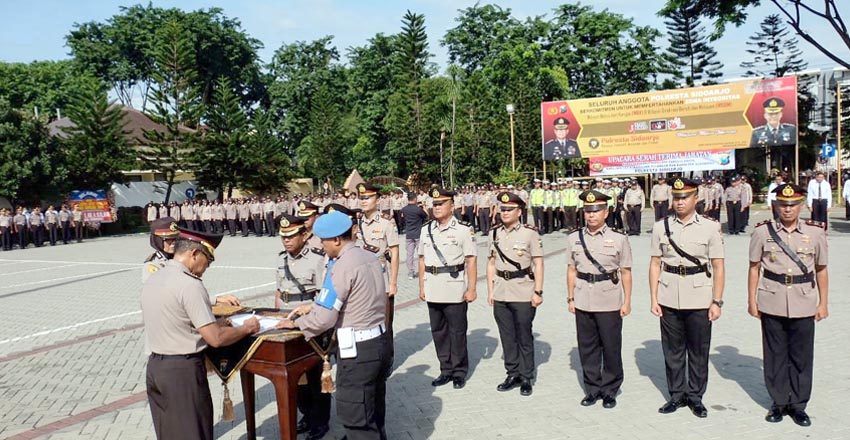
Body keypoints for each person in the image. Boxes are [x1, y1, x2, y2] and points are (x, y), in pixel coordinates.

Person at [278, 211, 391, 440]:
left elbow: (325, 319)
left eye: (324, 240)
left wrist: (295, 324)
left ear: (337, 240)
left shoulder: (340, 266)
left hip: (357, 351)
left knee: (356, 418)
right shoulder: (369, 257)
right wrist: (312, 308)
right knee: (373, 411)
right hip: (379, 342)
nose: (321, 244)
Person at [142, 227, 258, 440]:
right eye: (208, 260)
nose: (207, 267)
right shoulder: (189, 284)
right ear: (194, 254)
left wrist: (218, 322)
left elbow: (177, 319)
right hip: (182, 373)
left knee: (168, 434)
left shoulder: (154, 277)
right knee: (194, 433)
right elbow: (216, 339)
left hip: (156, 369)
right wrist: (247, 328)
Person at [747, 183, 828, 427]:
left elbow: (822, 270)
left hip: (804, 300)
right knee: (775, 355)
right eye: (783, 204)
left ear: (801, 205)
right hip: (771, 299)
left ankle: (799, 405)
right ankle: (779, 402)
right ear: (775, 205)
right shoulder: (763, 232)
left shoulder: (815, 233)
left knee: (802, 357)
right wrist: (752, 300)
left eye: (793, 204)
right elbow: (754, 268)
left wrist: (823, 303)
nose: (788, 209)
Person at [649, 177, 725, 418]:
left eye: (685, 197)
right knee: (672, 350)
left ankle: (695, 396)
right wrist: (653, 298)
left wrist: (717, 300)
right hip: (669, 294)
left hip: (700, 295)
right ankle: (676, 394)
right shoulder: (661, 227)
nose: (679, 202)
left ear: (696, 198)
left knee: (699, 350)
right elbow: (655, 263)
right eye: (676, 197)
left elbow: (718, 266)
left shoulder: (710, 227)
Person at [567, 189, 633, 409]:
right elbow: (571, 270)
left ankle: (610, 389)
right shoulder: (574, 238)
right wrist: (570, 298)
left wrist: (627, 301)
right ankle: (592, 388)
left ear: (606, 212)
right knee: (587, 346)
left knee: (611, 346)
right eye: (587, 211)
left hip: (609, 298)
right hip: (583, 297)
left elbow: (625, 271)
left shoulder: (619, 239)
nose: (591, 215)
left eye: (596, 211)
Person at [275, 214, 331, 439]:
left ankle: (320, 421)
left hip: (310, 324)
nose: (286, 241)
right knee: (296, 378)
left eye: (291, 236)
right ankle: (306, 415)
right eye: (283, 237)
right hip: (287, 323)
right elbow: (279, 292)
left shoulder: (318, 259)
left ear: (304, 235)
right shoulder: (281, 259)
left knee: (315, 375)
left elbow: (323, 296)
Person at [418, 188, 477, 389]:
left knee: (457, 332)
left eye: (441, 203)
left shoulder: (462, 229)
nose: (437, 207)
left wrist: (472, 288)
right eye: (434, 204)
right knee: (438, 331)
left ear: (452, 206)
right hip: (433, 286)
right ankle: (445, 369)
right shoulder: (426, 230)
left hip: (454, 288)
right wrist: (421, 286)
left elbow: (470, 260)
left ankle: (459, 371)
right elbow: (421, 259)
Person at [486, 192, 544, 397]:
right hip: (501, 290)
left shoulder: (530, 233)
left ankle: (527, 376)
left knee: (524, 335)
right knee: (507, 336)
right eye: (502, 209)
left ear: (519, 212)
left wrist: (538, 291)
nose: (505, 213)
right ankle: (512, 373)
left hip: (523, 290)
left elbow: (538, 262)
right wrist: (491, 290)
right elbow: (491, 263)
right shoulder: (495, 233)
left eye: (509, 209)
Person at [358, 183, 400, 354]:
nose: (364, 201)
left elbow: (395, 253)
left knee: (385, 323)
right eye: (362, 198)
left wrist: (394, 283)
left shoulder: (386, 222)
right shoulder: (357, 223)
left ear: (378, 199)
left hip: (381, 279)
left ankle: (386, 359)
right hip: (362, 281)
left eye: (368, 197)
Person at [142, 217, 181, 283]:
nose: (174, 242)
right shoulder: (154, 265)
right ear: (158, 241)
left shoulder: (182, 258)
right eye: (168, 239)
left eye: (176, 239)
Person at [400, 192, 428, 280]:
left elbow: (402, 219)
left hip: (409, 234)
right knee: (421, 254)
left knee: (409, 255)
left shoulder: (404, 209)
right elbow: (426, 216)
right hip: (418, 233)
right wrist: (423, 207)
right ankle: (423, 271)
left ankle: (410, 273)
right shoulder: (418, 209)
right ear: (415, 199)